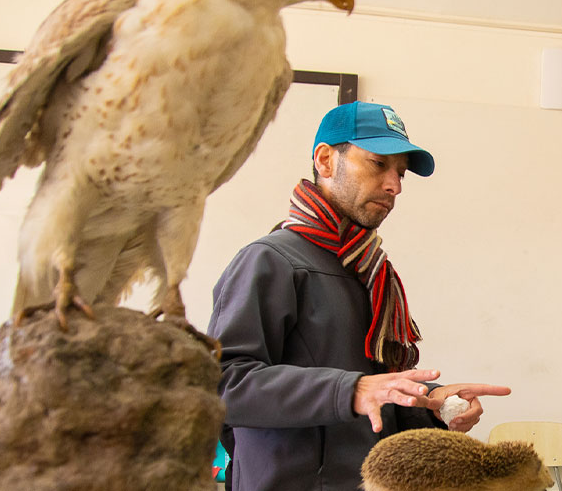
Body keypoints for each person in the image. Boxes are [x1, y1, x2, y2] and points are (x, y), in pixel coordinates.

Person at [208, 101, 511, 491]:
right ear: (325, 160)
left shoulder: (370, 271)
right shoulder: (270, 260)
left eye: (400, 173)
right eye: (378, 164)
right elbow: (222, 385)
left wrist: (430, 404)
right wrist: (350, 389)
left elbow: (372, 401)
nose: (394, 185)